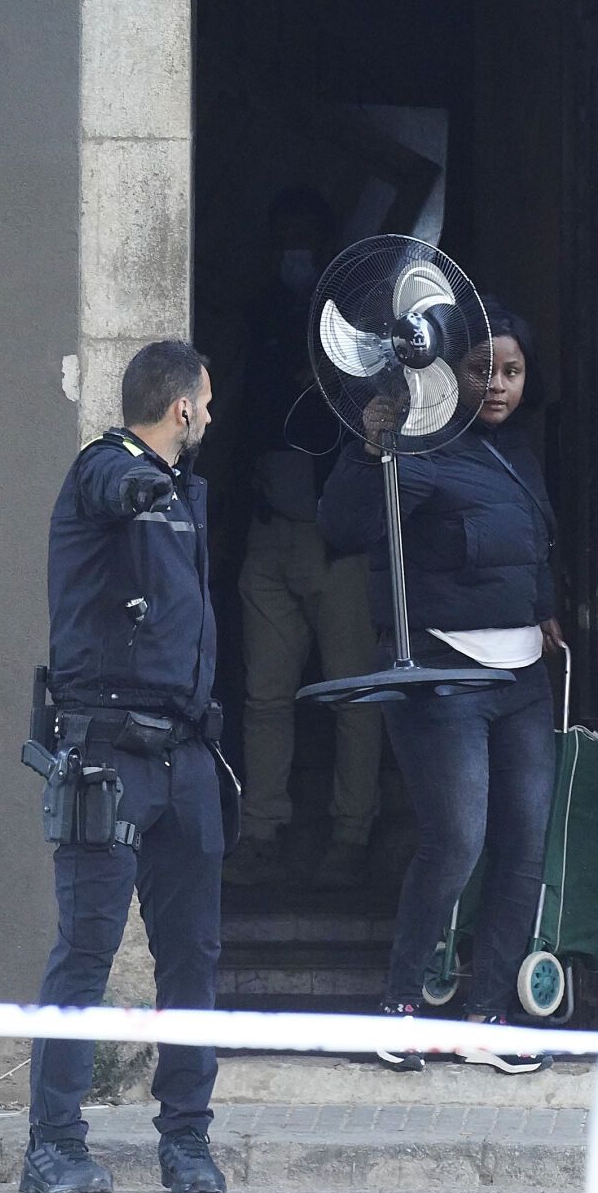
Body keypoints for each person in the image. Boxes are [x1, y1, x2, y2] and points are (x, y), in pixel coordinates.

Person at [318, 303, 563, 1075]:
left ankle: (488, 1017)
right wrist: (370, 446)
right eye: (483, 369)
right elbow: (344, 528)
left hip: (522, 676)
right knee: (456, 841)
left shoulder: (518, 453)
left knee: (523, 847)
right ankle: (398, 1010)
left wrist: (544, 608)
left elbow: (534, 545)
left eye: (512, 371)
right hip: (443, 675)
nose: (499, 385)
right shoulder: (416, 449)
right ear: (449, 373)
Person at [21, 341, 231, 1193]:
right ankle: (52, 1147)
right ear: (180, 408)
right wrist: (142, 487)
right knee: (86, 951)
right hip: (107, 753)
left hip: (185, 754)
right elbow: (112, 482)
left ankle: (186, 1139)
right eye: (204, 402)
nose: (210, 415)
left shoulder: (184, 491)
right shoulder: (106, 470)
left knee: (193, 956)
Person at [227, 187, 382, 892]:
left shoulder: (356, 325)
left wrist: (329, 381)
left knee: (355, 694)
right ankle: (261, 830)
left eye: (305, 239)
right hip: (269, 528)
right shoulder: (256, 315)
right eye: (283, 238)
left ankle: (352, 835)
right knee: (264, 695)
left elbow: (385, 419)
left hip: (335, 539)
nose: (294, 252)